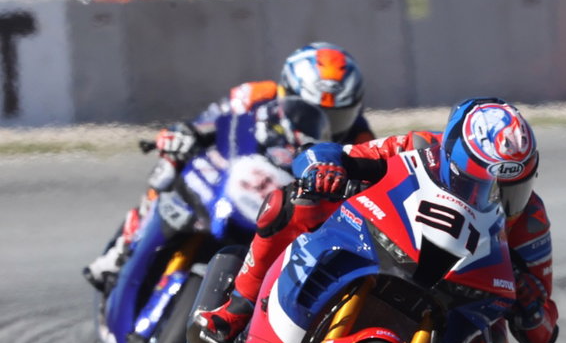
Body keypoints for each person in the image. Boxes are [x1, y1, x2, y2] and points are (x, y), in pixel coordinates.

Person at [193, 97, 558, 343]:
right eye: (487, 185)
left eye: (514, 189)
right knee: (291, 204)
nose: (500, 199)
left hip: (458, 291)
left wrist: (531, 307)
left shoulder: (531, 221)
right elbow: (329, 154)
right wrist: (326, 168)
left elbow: (543, 328)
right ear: (454, 160)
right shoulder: (420, 146)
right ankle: (236, 310)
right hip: (384, 241)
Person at [83, 43, 372, 291]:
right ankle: (124, 246)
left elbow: (370, 190)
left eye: (338, 117)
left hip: (285, 203)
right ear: (286, 92)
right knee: (170, 164)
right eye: (309, 112)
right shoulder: (256, 95)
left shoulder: (361, 138)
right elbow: (208, 121)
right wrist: (183, 134)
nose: (323, 125)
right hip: (232, 176)